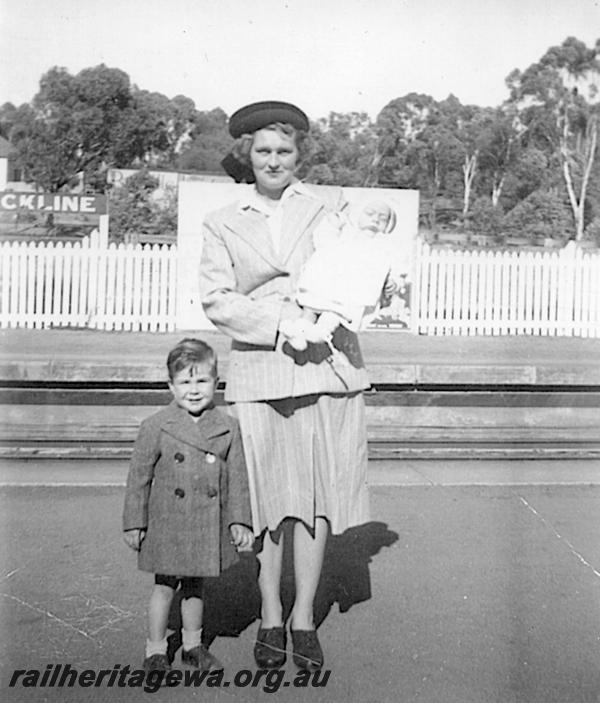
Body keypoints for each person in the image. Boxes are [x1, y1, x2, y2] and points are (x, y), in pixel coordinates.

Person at [199, 100, 382, 670]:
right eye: (263, 151)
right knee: (271, 500)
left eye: (284, 150)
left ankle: (303, 615)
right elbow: (216, 298)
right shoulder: (222, 221)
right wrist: (280, 324)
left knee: (318, 497)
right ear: (246, 155)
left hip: (327, 365)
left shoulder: (330, 208)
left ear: (299, 155)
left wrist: (370, 289)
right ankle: (271, 613)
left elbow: (360, 262)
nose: (274, 160)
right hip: (261, 365)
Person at [122, 338, 254, 676]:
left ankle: (193, 647)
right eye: (184, 382)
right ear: (170, 385)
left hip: (205, 522)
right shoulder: (155, 426)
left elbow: (237, 479)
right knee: (164, 587)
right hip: (167, 521)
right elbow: (139, 477)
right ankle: (155, 650)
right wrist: (134, 522)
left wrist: (240, 521)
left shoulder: (228, 426)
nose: (193, 390)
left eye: (202, 381)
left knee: (196, 587)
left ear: (216, 382)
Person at [279, 199, 399, 350]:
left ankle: (319, 333)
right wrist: (332, 227)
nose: (375, 220)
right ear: (357, 214)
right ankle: (299, 331)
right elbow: (323, 242)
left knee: (335, 314)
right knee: (311, 307)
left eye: (383, 218)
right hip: (328, 282)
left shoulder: (383, 245)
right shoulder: (346, 231)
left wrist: (391, 283)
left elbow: (388, 267)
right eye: (370, 214)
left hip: (351, 291)